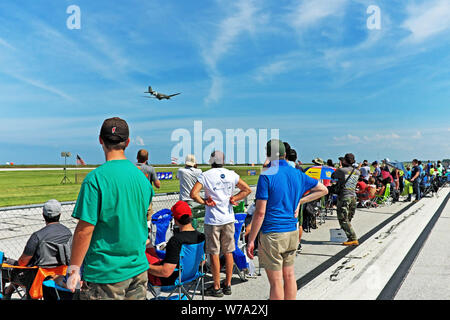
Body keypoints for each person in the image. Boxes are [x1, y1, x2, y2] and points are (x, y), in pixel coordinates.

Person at [66, 117, 153, 300]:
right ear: (127, 142)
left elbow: (84, 231)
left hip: (105, 274)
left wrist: (74, 269)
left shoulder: (95, 179)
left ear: (100, 140)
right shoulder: (142, 180)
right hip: (138, 270)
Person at [246, 139, 328, 300]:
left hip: (273, 233)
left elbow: (260, 212)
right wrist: (300, 201)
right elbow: (323, 189)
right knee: (289, 276)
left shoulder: (267, 175)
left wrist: (251, 239)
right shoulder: (297, 173)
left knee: (276, 282)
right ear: (284, 154)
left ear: (268, 155)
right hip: (292, 231)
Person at [190, 150, 252, 297]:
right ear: (223, 161)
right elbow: (247, 189)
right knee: (229, 251)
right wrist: (234, 198)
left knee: (214, 253)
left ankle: (217, 286)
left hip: (213, 220)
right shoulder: (231, 174)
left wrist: (204, 201)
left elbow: (193, 194)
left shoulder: (206, 175)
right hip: (228, 218)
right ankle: (228, 284)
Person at [2, 199, 72, 299]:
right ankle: (8, 291)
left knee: (8, 265)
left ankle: (6, 294)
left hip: (37, 278)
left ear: (43, 215)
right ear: (60, 214)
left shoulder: (37, 236)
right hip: (60, 274)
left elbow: (22, 262)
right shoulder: (68, 233)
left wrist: (15, 265)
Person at [146, 201, 205, 286]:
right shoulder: (201, 237)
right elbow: (201, 262)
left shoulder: (175, 241)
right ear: (191, 216)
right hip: (191, 275)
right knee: (151, 249)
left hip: (170, 280)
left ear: (175, 220)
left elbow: (165, 272)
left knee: (145, 255)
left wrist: (144, 266)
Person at [331, 153, 361, 246]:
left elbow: (333, 176)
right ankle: (347, 234)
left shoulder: (341, 170)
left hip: (344, 196)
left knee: (343, 218)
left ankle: (353, 238)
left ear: (344, 161)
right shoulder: (357, 172)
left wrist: (339, 167)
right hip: (353, 197)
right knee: (348, 217)